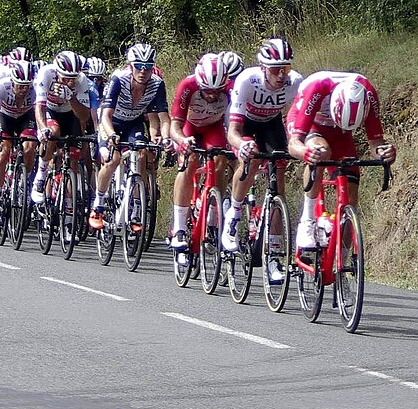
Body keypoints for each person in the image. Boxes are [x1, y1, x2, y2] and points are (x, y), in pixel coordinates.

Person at [286, 71, 397, 249]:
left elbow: (376, 143)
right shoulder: (318, 87)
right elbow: (294, 144)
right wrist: (307, 153)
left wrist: (385, 153)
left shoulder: (368, 93)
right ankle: (307, 220)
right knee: (321, 152)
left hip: (342, 133)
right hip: (311, 123)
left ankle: (342, 260)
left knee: (351, 189)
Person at [222, 39, 302, 270]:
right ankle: (234, 217)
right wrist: (242, 145)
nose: (281, 75)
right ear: (263, 67)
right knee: (252, 159)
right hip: (245, 123)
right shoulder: (248, 80)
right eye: (276, 69)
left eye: (285, 68)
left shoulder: (295, 82)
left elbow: (303, 119)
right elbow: (233, 133)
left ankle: (274, 257)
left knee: (278, 185)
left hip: (271, 123)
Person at [89, 44, 170, 229]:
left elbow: (163, 117)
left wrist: (165, 138)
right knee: (113, 158)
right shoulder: (118, 79)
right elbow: (105, 115)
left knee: (141, 153)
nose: (143, 71)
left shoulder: (157, 84)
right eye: (138, 66)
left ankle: (136, 208)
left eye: (148, 66)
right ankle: (98, 205)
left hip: (133, 122)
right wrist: (110, 136)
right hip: (112, 121)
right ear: (130, 65)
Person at [167, 53, 230, 260]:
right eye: (207, 91)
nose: (212, 96)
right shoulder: (188, 86)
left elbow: (234, 122)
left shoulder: (229, 89)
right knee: (189, 161)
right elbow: (175, 126)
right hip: (190, 127)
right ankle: (179, 228)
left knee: (221, 158)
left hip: (213, 127)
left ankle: (213, 209)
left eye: (216, 92)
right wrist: (183, 141)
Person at [30, 51, 92, 204]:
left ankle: (69, 211)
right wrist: (42, 128)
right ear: (57, 72)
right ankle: (41, 175)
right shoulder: (46, 73)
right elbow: (39, 106)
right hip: (50, 112)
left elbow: (84, 116)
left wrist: (71, 97)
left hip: (71, 115)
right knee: (53, 132)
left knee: (73, 160)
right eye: (66, 78)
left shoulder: (82, 80)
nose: (70, 82)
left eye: (73, 78)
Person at [0, 60, 38, 228]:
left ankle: (23, 182)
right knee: (3, 152)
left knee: (30, 146)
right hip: (4, 118)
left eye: (27, 86)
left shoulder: (34, 91)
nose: (24, 90)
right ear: (13, 82)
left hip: (23, 118)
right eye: (21, 86)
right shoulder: (1, 87)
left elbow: (39, 113)